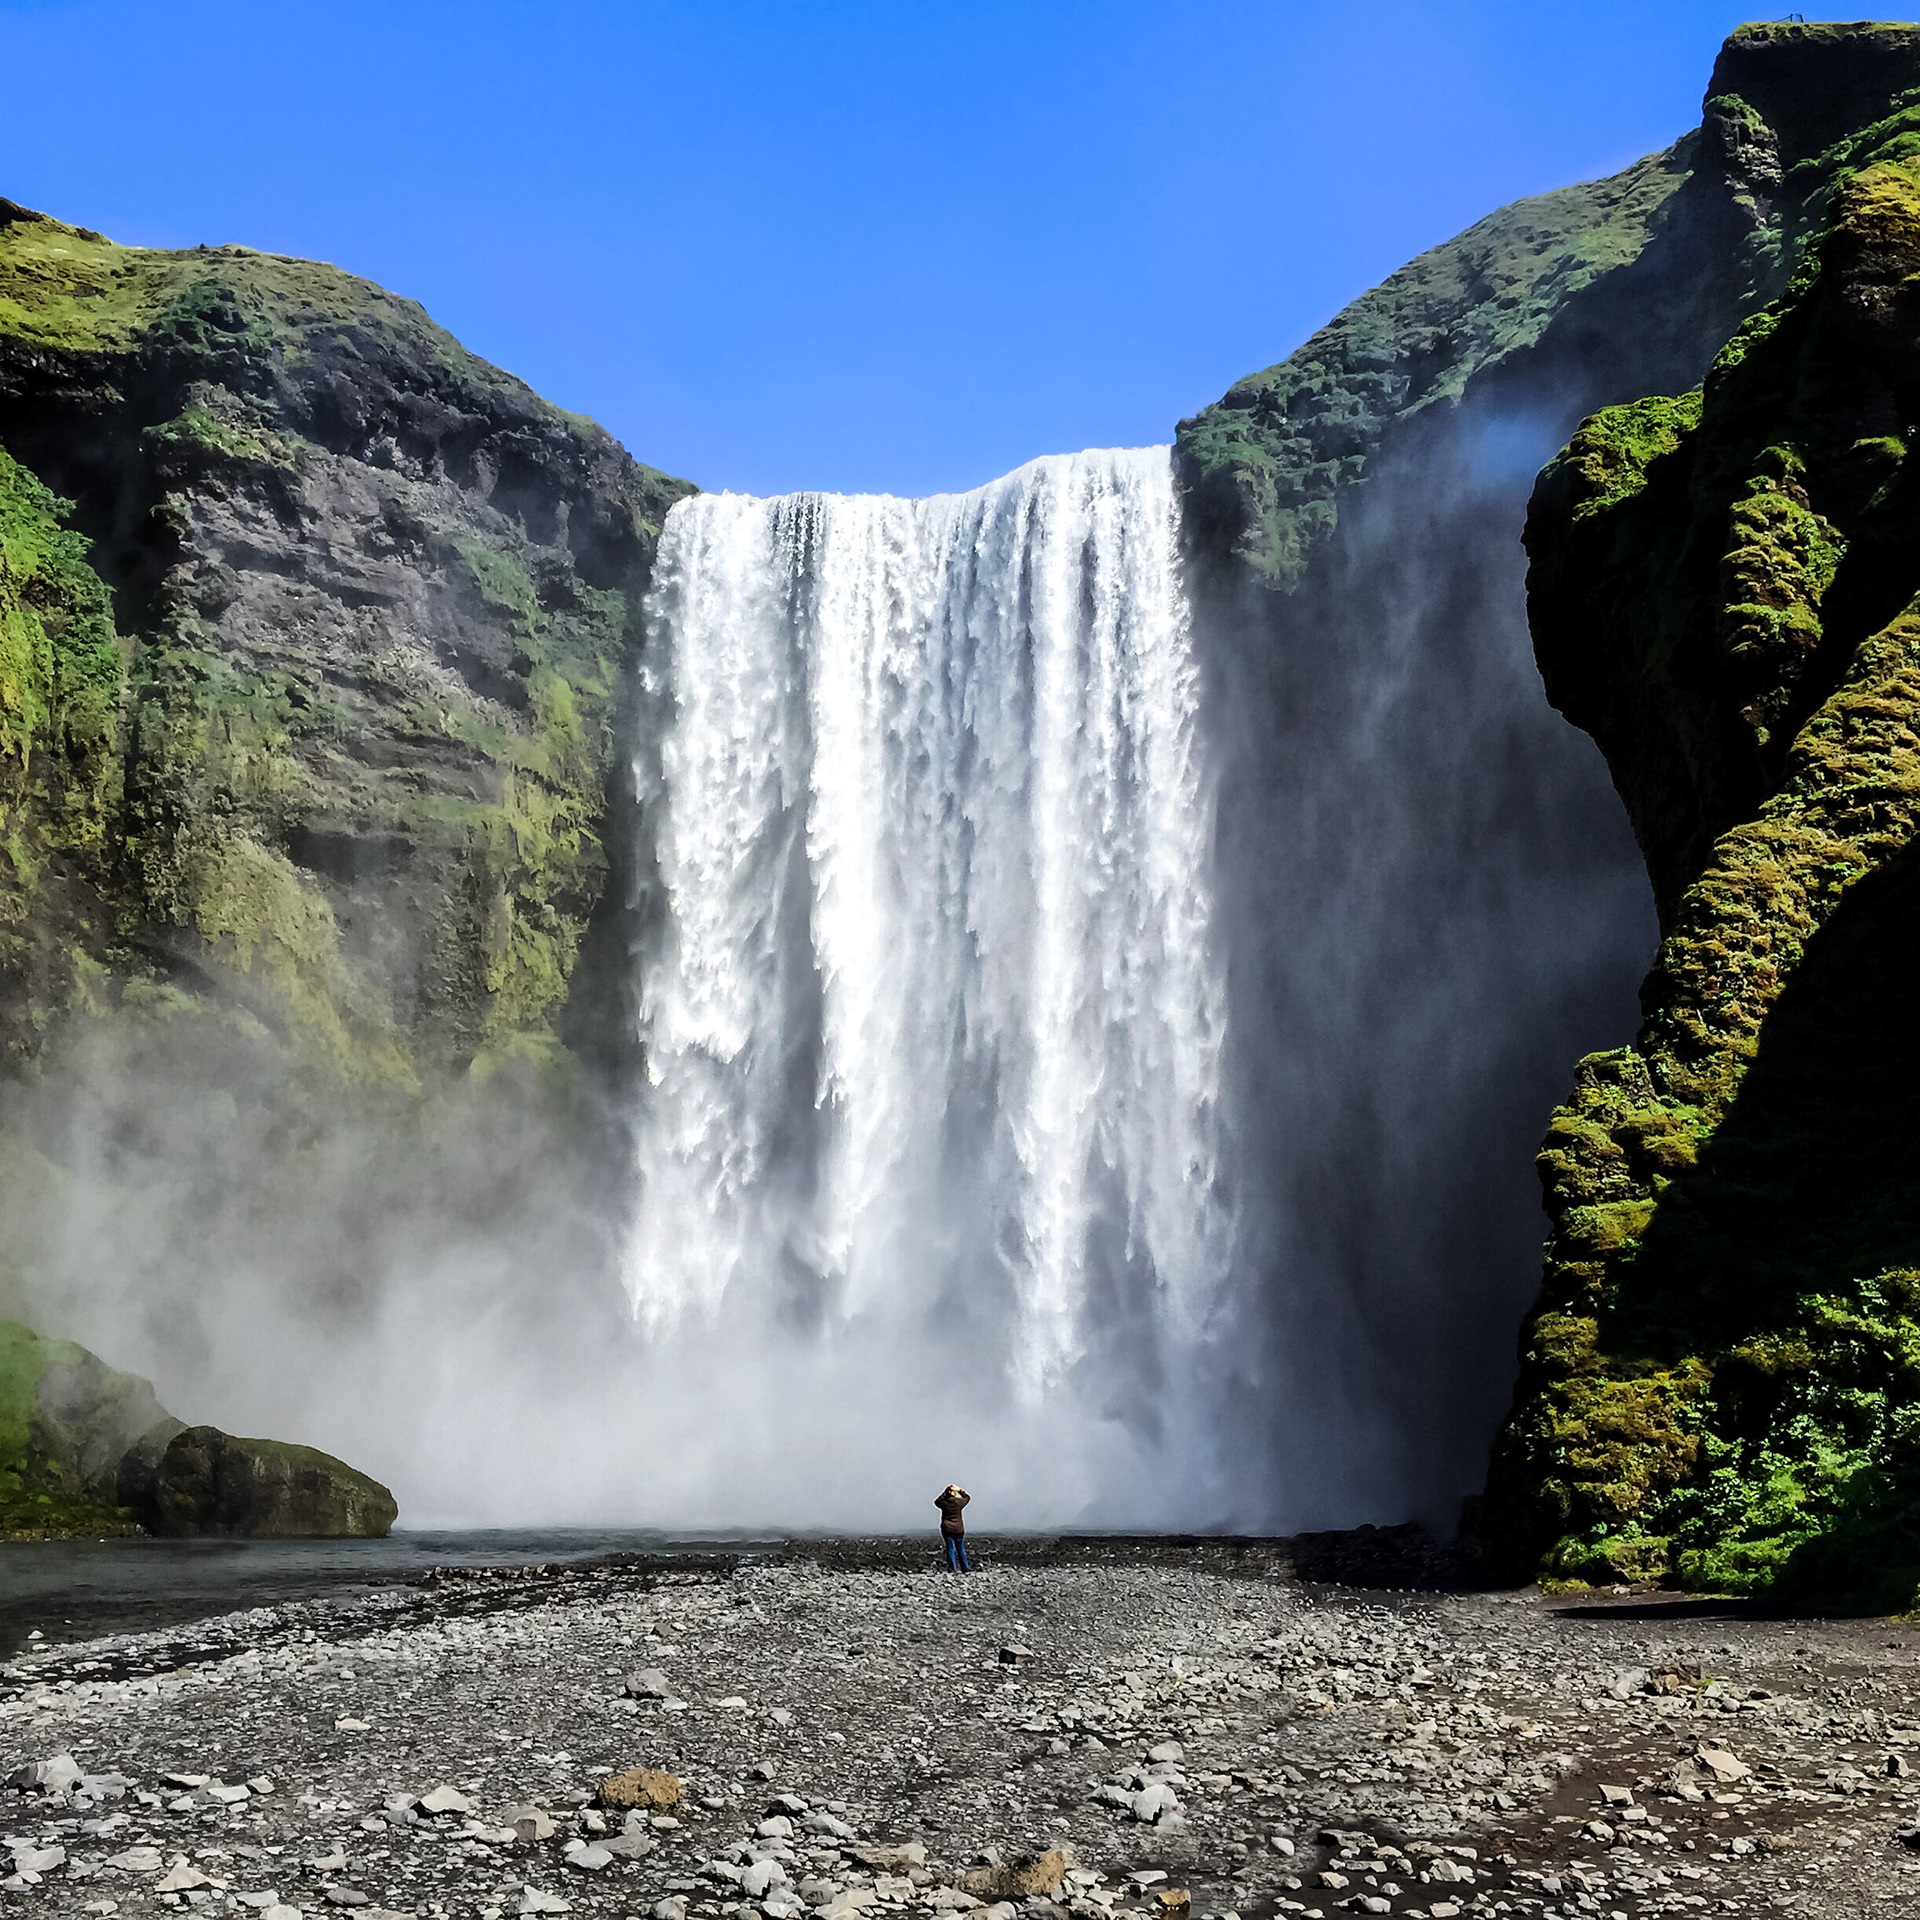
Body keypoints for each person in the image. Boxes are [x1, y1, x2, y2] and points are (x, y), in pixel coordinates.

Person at [936, 1483, 971, 1572]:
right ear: (955, 1493)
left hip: (947, 1528)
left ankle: (952, 1569)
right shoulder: (959, 1502)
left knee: (950, 1548)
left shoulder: (944, 1502)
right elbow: (967, 1497)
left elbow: (936, 1501)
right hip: (958, 1528)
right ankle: (965, 1568)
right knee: (961, 1548)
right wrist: (960, 1490)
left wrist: (945, 1491)